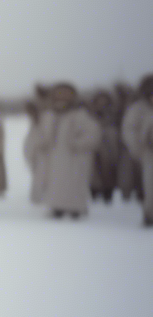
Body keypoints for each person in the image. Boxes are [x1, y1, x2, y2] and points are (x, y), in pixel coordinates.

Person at [31, 83, 101, 220]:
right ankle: (56, 208)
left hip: (73, 158)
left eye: (66, 94)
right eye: (59, 93)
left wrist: (78, 143)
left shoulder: (80, 115)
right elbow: (38, 133)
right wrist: (41, 143)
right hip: (53, 158)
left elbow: (93, 133)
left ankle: (76, 209)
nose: (62, 97)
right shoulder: (48, 115)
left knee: (73, 183)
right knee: (55, 183)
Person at [121, 74, 153, 227]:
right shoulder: (139, 109)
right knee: (150, 184)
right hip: (149, 153)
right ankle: (150, 214)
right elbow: (130, 130)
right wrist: (139, 149)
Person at [87, 90, 120, 203]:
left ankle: (108, 193)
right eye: (100, 100)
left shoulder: (114, 113)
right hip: (93, 146)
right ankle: (94, 192)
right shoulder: (89, 113)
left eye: (104, 100)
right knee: (93, 171)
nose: (102, 102)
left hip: (110, 146)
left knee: (108, 170)